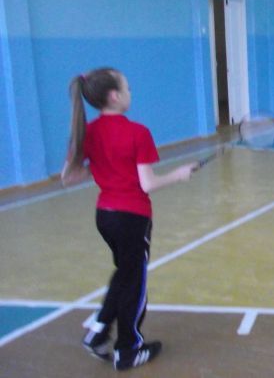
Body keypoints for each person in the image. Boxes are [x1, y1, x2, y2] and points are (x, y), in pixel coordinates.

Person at [61, 67, 197, 370]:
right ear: (115, 96)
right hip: (132, 218)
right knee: (134, 284)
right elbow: (147, 184)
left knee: (124, 272)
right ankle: (128, 349)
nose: (130, 93)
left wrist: (103, 167)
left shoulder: (87, 131)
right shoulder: (138, 132)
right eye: (128, 88)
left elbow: (68, 177)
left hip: (105, 217)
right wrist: (178, 174)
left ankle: (98, 332)